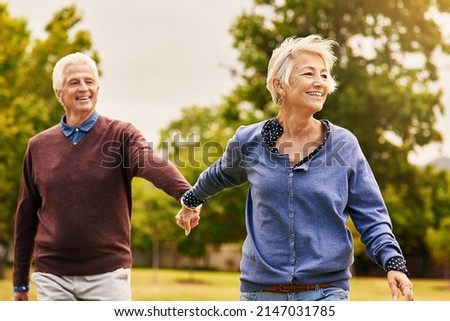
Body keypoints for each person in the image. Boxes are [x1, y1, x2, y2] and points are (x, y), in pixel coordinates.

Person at [176, 35, 414, 301]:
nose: (320, 82)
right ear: (280, 85)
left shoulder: (344, 145)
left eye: (324, 76)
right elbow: (219, 175)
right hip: (260, 295)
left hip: (326, 293)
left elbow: (371, 214)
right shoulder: (249, 142)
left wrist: (393, 262)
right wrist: (191, 201)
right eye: (308, 73)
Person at [12, 52, 200, 301]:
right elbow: (26, 218)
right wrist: (20, 285)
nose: (84, 88)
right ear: (59, 93)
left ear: (98, 88)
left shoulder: (121, 135)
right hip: (52, 277)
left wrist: (189, 196)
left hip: (108, 276)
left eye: (89, 81)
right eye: (74, 82)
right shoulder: (38, 146)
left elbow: (151, 162)